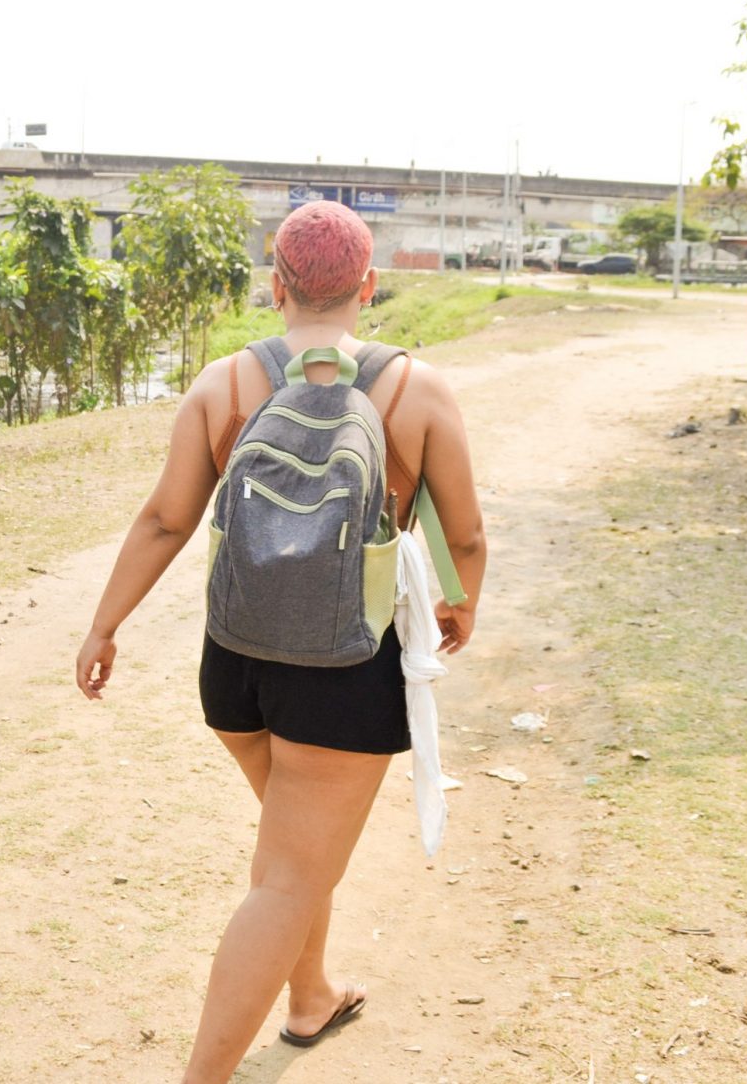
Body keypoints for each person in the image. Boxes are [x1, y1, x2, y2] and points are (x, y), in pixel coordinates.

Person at [73, 201, 487, 1083]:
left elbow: (164, 519)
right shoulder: (416, 389)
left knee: (295, 851)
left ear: (277, 287)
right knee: (291, 873)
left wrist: (105, 624)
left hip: (235, 671)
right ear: (368, 288)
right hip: (347, 668)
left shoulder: (224, 385)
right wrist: (460, 603)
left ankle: (311, 997)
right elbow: (466, 534)